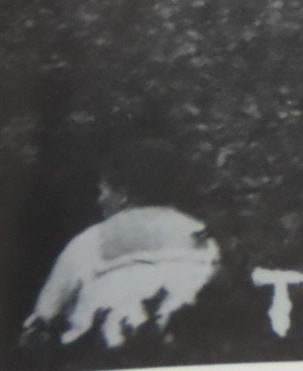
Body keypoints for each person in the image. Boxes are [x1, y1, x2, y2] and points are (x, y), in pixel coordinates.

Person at [21, 138, 219, 350]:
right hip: (186, 349)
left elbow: (44, 317)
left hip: (104, 354)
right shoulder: (201, 236)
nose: (100, 200)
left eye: (103, 190)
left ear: (123, 194)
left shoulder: (91, 241)